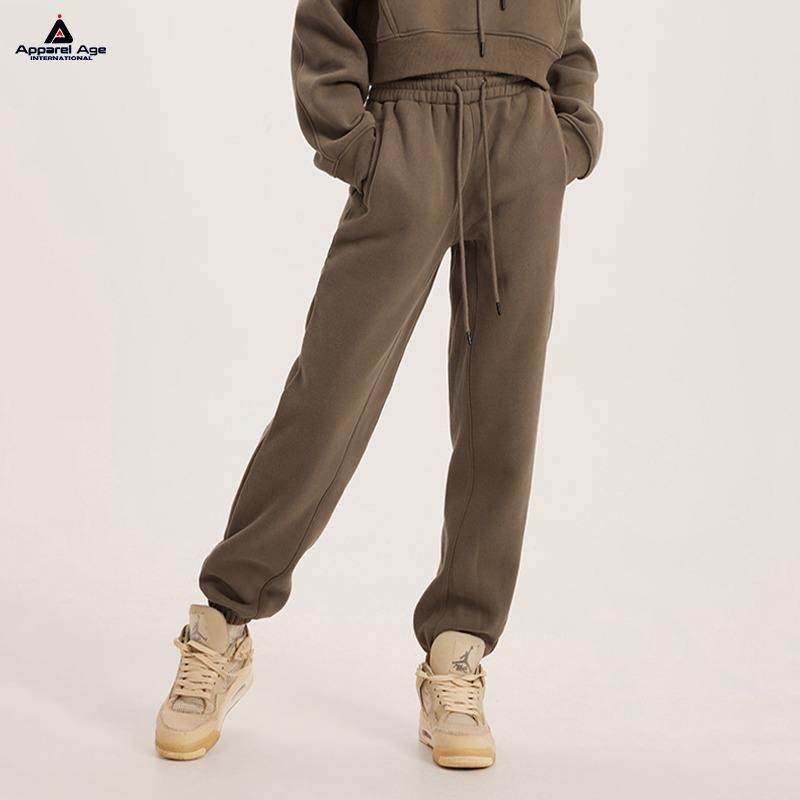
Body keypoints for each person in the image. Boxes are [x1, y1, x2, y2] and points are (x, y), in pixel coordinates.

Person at [155, 0, 602, 768]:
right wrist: (361, 146)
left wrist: (569, 136)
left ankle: (459, 650)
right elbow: (324, 21)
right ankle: (224, 620)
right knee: (327, 396)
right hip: (407, 134)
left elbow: (569, 35)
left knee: (503, 412)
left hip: (525, 145)